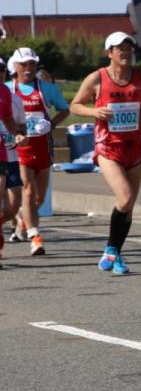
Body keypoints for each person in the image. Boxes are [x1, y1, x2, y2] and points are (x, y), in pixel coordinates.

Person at [69, 32, 141, 275]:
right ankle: (112, 249)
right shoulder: (97, 78)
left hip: (134, 146)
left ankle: (114, 251)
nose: (125, 52)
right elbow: (75, 104)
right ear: (109, 53)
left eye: (129, 48)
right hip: (108, 147)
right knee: (125, 198)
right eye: (119, 48)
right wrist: (94, 112)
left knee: (127, 206)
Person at [8, 47, 70, 256]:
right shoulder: (8, 89)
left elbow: (65, 109)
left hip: (43, 148)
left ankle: (23, 223)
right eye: (24, 64)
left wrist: (51, 124)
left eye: (32, 64)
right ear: (15, 66)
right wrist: (14, 132)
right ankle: (36, 237)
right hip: (19, 150)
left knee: (39, 200)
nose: (28, 68)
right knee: (28, 191)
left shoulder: (47, 89)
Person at [0, 61, 27, 268]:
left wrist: (18, 134)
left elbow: (11, 120)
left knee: (12, 205)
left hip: (5, 152)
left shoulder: (5, 94)